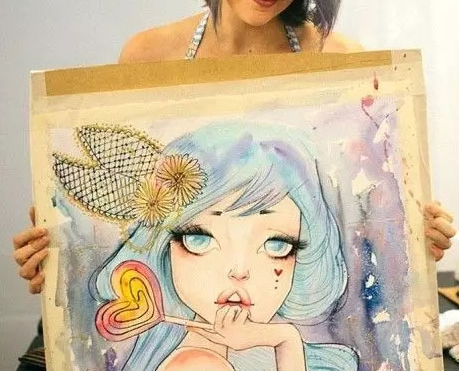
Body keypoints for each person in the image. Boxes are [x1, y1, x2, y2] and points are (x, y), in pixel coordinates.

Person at [12, 0, 455, 357]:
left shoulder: (339, 61)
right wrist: (62, 243)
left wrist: (412, 234)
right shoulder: (150, 55)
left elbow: (366, 217)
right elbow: (138, 220)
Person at [90, 122, 359, 370]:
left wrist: (285, 339)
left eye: (277, 246)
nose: (239, 271)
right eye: (200, 239)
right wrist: (285, 339)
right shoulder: (199, 365)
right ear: (165, 248)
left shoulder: (228, 356)